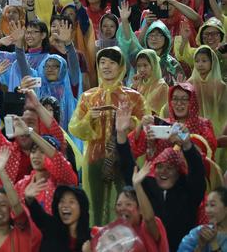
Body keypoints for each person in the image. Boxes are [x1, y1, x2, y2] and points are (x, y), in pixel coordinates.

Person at [68, 47, 145, 225]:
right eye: (102, 62)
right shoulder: (88, 97)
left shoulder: (134, 97)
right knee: (94, 205)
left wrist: (129, 123)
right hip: (95, 159)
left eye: (111, 63)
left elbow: (145, 127)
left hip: (124, 159)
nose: (106, 66)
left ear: (121, 67)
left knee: (125, 204)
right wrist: (89, 118)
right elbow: (74, 128)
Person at [117, 101, 206, 251]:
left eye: (170, 168)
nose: (163, 172)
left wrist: (187, 146)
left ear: (178, 172)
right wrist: (120, 134)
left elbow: (197, 172)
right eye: (159, 167)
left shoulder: (189, 191)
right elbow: (128, 168)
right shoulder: (148, 186)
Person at [25, 183, 91, 252]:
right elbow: (38, 215)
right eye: (62, 201)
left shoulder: (91, 238)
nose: (65, 205)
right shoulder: (52, 227)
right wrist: (30, 199)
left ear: (82, 207)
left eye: (71, 202)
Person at [178, 187, 227, 252]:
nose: (207, 210)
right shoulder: (198, 233)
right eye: (206, 205)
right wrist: (200, 245)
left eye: (212, 205)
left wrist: (213, 242)